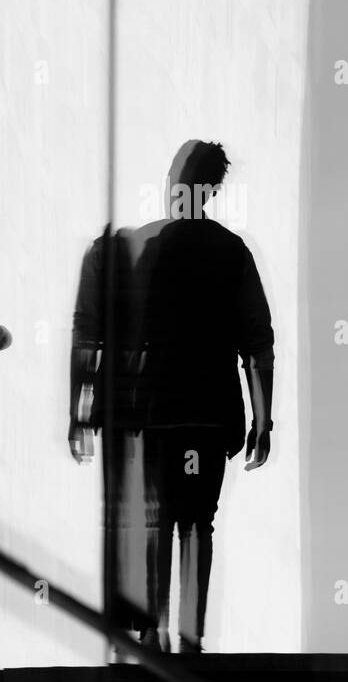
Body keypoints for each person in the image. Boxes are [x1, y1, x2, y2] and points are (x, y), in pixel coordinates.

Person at [69, 140, 274, 654]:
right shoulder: (231, 253)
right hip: (207, 412)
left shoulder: (133, 249)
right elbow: (257, 340)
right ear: (211, 190)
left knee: (154, 515)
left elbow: (89, 333)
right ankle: (189, 638)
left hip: (147, 408)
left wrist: (81, 409)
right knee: (197, 522)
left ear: (172, 182)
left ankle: (153, 631)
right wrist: (262, 417)